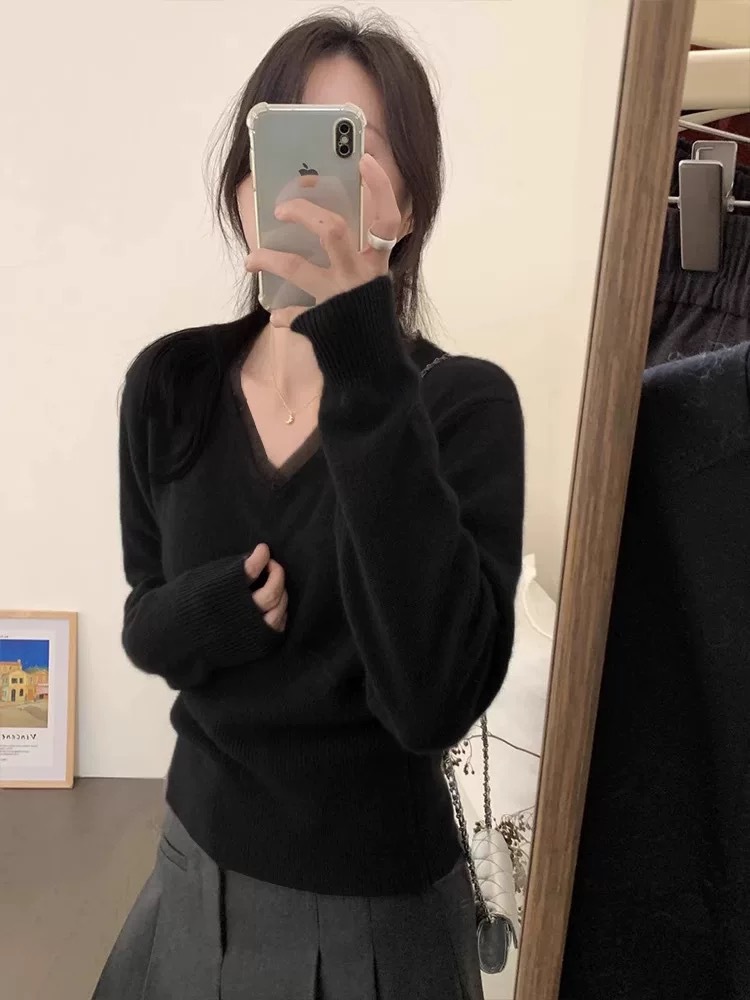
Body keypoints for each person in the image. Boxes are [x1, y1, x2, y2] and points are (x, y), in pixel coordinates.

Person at [94, 9, 525, 1000]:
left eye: (345, 149)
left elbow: (431, 702)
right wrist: (215, 610)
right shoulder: (169, 385)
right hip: (188, 867)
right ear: (241, 185)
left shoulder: (463, 406)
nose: (302, 186)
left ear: (407, 204)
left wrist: (361, 353)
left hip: (376, 913)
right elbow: (144, 626)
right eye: (278, 143)